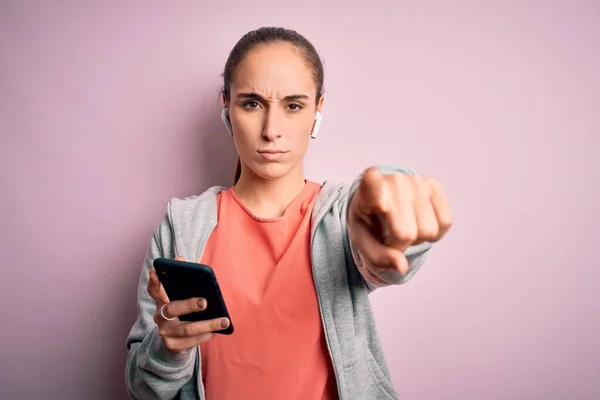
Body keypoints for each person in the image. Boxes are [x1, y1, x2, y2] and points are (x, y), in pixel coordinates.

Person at [125, 26, 453, 400]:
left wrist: (393, 216)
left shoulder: (342, 216)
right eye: (251, 103)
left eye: (293, 105)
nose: (271, 130)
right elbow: (143, 389)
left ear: (318, 110)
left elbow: (386, 237)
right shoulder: (180, 225)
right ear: (227, 107)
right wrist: (170, 349)